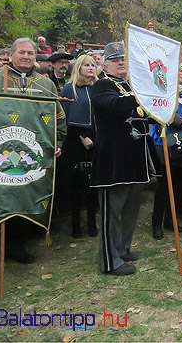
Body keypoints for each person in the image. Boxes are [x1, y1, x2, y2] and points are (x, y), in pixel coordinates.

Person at [0, 38, 66, 276]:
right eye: (21, 52)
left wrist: (57, 142)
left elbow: (58, 118)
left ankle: (16, 246)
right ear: (10, 55)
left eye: (31, 53)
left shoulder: (45, 84)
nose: (26, 56)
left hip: (32, 155)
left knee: (25, 197)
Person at [90, 41, 150, 276]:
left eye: (123, 59)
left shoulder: (129, 85)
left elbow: (145, 115)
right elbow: (115, 106)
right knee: (112, 211)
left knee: (131, 207)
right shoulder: (102, 85)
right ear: (104, 64)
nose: (120, 63)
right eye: (115, 60)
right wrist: (143, 94)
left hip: (134, 156)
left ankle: (123, 249)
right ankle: (109, 261)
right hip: (112, 157)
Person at [150, 63, 182, 240]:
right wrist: (180, 121)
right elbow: (159, 112)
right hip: (165, 141)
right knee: (164, 186)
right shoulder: (164, 92)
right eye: (181, 71)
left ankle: (170, 221)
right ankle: (156, 223)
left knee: (180, 185)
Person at [60, 54, 99, 239]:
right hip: (75, 139)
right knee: (76, 184)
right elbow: (65, 117)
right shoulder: (70, 88)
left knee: (93, 183)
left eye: (93, 65)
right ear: (78, 68)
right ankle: (75, 224)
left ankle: (91, 221)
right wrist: (82, 137)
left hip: (97, 138)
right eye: (86, 65)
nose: (91, 68)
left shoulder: (98, 88)